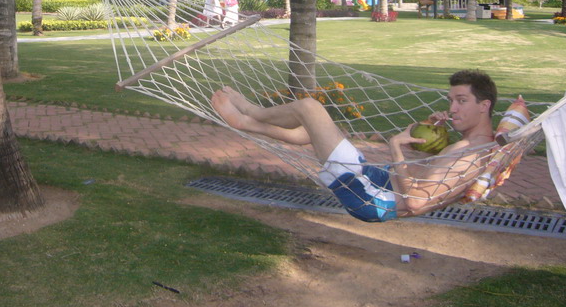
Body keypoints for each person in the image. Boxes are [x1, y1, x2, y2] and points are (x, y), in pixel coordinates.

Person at [210, 70, 498, 222]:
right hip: (378, 183)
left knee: (310, 108)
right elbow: (437, 173)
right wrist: (435, 134)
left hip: (372, 197)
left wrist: (395, 147)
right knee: (312, 131)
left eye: (461, 101)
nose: (453, 107)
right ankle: (248, 124)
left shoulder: (469, 155)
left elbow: (417, 202)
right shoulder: (478, 144)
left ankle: (251, 112)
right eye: (451, 100)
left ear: (484, 106)